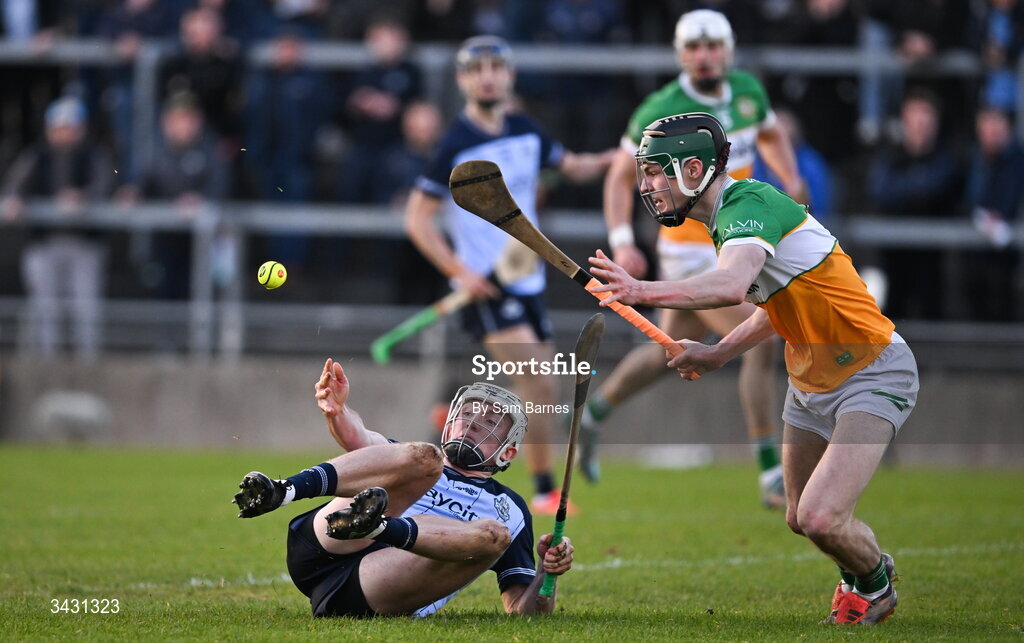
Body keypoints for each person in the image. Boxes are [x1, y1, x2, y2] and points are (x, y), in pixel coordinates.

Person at [589, 112, 918, 625]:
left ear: (694, 169)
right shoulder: (727, 222)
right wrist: (719, 353)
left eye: (657, 172)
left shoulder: (747, 203)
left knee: (820, 516)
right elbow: (773, 304)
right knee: (798, 518)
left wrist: (640, 290)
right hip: (810, 381)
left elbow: (728, 286)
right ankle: (861, 565)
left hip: (873, 370)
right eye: (645, 172)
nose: (648, 185)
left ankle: (874, 584)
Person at [582, 9, 806, 509]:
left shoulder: (748, 90)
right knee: (765, 330)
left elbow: (770, 133)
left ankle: (596, 411)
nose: (704, 57)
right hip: (689, 250)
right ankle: (771, 472)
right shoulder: (661, 109)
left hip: (738, 239)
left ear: (728, 50)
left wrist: (791, 179)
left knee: (670, 351)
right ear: (680, 53)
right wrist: (622, 239)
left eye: (712, 46)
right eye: (693, 47)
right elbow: (620, 176)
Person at [405, 35, 613, 514]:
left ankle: (479, 457)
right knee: (538, 381)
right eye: (477, 69)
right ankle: (531, 487)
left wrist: (614, 159)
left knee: (542, 387)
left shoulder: (526, 129)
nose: (488, 76)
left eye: (496, 66)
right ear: (462, 80)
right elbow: (417, 218)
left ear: (509, 74)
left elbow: (571, 165)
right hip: (487, 286)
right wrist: (460, 271)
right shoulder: (454, 144)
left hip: (527, 281)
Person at [232, 358, 574, 617]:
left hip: (373, 590)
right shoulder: (414, 461)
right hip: (326, 542)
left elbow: (519, 609)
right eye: (466, 415)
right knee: (425, 457)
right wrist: (338, 410)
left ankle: (380, 525)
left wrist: (547, 573)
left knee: (494, 535)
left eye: (488, 423)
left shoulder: (510, 510)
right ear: (449, 421)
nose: (472, 425)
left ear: (508, 452)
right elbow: (361, 439)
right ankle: (284, 491)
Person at [1, 96, 114, 360]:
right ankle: (47, 363)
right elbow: (14, 186)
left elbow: (107, 184)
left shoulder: (93, 156)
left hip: (85, 243)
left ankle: (89, 364)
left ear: (81, 129)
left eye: (70, 127)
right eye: (59, 128)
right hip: (44, 242)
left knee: (86, 308)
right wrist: (14, 199)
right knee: (45, 307)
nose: (64, 133)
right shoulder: (36, 156)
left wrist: (83, 197)